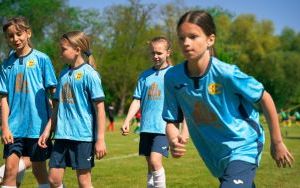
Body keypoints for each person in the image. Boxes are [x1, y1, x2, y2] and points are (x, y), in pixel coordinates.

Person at [162, 10, 294, 188]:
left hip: (243, 145)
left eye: (193, 36)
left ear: (210, 39)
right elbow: (171, 118)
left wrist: (277, 142)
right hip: (214, 152)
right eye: (181, 38)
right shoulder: (172, 77)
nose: (186, 43)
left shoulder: (227, 73)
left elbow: (265, 98)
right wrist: (172, 138)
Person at [38, 30, 107, 188]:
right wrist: (48, 130)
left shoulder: (90, 74)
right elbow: (57, 107)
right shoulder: (63, 73)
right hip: (62, 135)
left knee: (84, 182)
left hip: (83, 137)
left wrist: (100, 139)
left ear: (77, 50)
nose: (60, 53)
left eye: (64, 49)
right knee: (54, 179)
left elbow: (100, 109)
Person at [0, 16, 57, 187]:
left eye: (19, 34)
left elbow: (54, 93)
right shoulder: (5, 65)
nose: (15, 39)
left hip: (38, 128)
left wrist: (51, 124)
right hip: (14, 127)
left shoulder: (42, 59)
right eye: (11, 36)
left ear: (28, 33)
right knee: (10, 169)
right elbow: (3, 99)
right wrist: (5, 127)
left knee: (40, 171)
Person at [121, 36, 175, 188]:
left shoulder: (173, 75)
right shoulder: (144, 76)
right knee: (150, 166)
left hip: (163, 127)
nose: (155, 56)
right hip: (146, 127)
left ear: (168, 53)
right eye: (152, 53)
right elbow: (137, 100)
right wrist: (127, 120)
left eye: (159, 53)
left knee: (155, 161)